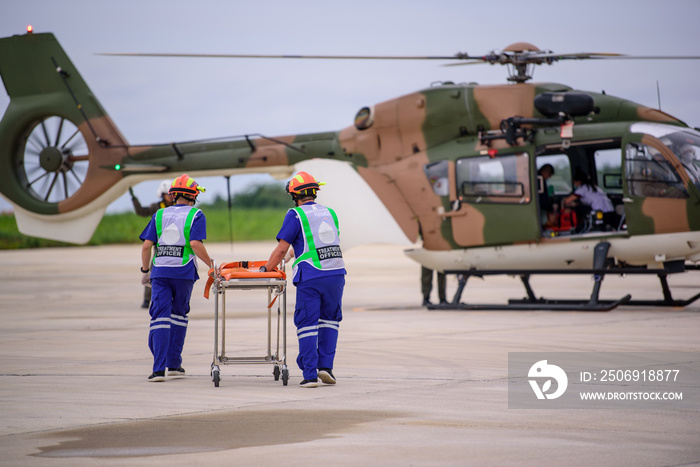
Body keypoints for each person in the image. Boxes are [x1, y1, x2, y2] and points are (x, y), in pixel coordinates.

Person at [261, 171, 346, 388]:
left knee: (307, 324)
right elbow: (314, 243)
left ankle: (309, 375)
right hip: (336, 274)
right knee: (330, 321)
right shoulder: (330, 213)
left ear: (294, 195)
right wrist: (291, 257)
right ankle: (326, 368)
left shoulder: (295, 214)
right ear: (315, 192)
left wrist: (266, 268)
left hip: (311, 274)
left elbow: (282, 248)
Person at [139, 174, 214, 382]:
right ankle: (174, 364)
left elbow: (147, 245)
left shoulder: (159, 215)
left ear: (173, 195)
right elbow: (196, 244)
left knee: (160, 317)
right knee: (179, 316)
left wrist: (145, 271)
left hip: (160, 272)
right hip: (183, 273)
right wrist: (212, 264)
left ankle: (157, 369)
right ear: (194, 196)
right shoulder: (196, 215)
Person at [131, 181, 174, 308]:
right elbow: (141, 212)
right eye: (167, 194)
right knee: (152, 273)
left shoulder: (178, 207)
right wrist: (134, 199)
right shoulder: (156, 207)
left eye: (172, 194)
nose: (170, 197)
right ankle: (147, 300)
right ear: (162, 194)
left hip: (174, 244)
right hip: (159, 245)